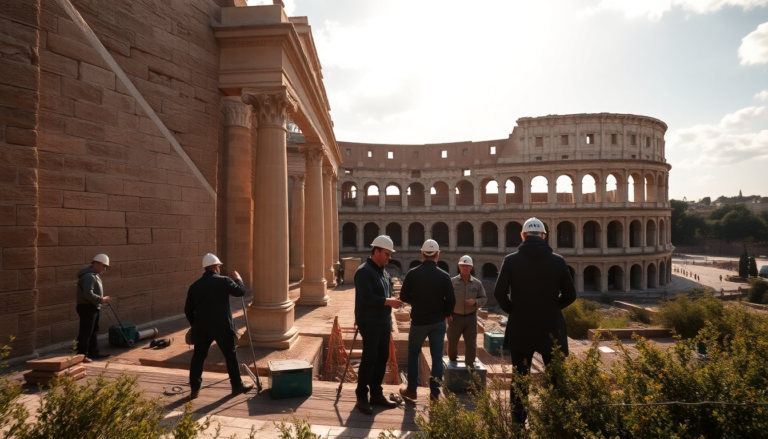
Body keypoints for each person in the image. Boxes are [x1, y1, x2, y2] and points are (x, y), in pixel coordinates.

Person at [493, 217, 577, 425]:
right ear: (544, 237)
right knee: (556, 377)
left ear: (522, 235)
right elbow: (570, 294)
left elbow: (499, 293)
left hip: (521, 326)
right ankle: (556, 421)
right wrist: (554, 307)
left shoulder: (511, 260)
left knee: (520, 377)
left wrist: (513, 310)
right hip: (551, 326)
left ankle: (519, 424)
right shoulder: (557, 261)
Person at [185, 253, 253, 400]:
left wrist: (195, 325)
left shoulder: (194, 286)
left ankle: (195, 389)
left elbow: (188, 310)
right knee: (230, 355)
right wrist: (238, 279)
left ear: (205, 268)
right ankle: (236, 386)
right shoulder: (224, 281)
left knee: (198, 357)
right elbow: (240, 292)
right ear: (216, 267)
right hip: (223, 327)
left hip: (202, 328)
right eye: (219, 266)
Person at [399, 239, 456, 402]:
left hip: (419, 321)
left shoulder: (412, 273)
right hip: (438, 321)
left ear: (422, 254)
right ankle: (435, 394)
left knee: (413, 353)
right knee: (437, 356)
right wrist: (446, 313)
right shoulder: (444, 276)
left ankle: (411, 390)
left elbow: (403, 296)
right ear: (438, 254)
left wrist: (415, 300)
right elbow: (451, 300)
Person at [354, 236, 403, 414]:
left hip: (383, 322)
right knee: (369, 359)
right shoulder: (364, 271)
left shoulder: (382, 271)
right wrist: (389, 301)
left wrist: (392, 301)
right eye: (386, 254)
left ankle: (376, 393)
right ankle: (361, 396)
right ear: (376, 252)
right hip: (370, 322)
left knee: (382, 359)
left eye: (389, 254)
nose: (389, 257)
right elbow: (366, 298)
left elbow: (383, 295)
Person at [447, 255, 487, 367]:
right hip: (455, 317)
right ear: (459, 266)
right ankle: (452, 360)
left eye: (467, 266)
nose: (465, 268)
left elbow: (483, 298)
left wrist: (475, 301)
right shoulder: (452, 282)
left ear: (471, 268)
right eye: (463, 266)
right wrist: (447, 313)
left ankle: (470, 365)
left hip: (471, 317)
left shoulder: (477, 283)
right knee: (452, 342)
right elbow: (445, 299)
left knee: (471, 343)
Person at [76, 254, 112, 363]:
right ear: (97, 263)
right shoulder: (89, 276)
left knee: (93, 331)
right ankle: (82, 355)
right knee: (86, 332)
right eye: (103, 265)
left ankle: (93, 351)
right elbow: (87, 294)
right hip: (87, 307)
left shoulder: (93, 275)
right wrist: (101, 299)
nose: (104, 268)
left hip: (92, 306)